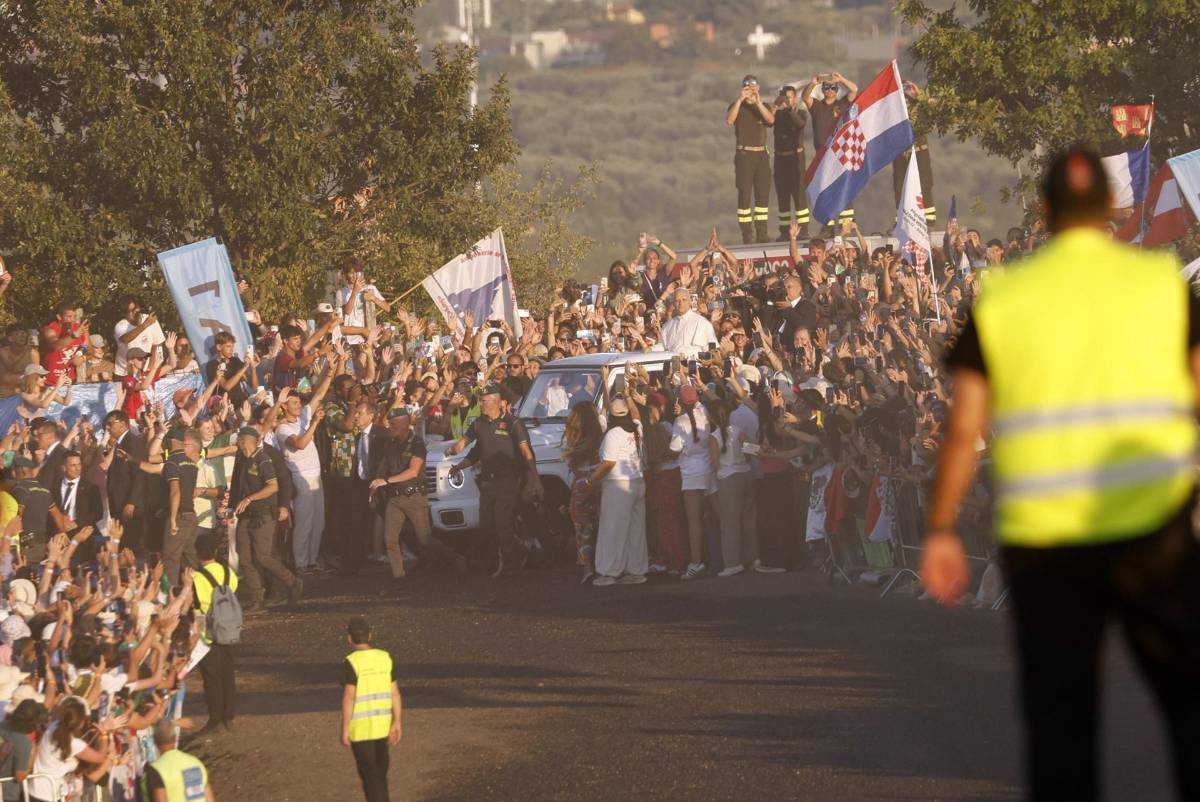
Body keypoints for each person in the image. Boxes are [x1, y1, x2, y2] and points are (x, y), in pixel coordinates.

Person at [921, 147, 1200, 801]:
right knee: (1188, 709)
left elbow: (965, 427)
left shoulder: (1005, 296)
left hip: (1045, 540)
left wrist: (939, 528)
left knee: (1061, 727)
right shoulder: (1160, 284)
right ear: (1111, 209)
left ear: (1043, 211)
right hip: (1151, 527)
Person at [446, 384, 544, 577]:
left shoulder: (512, 423)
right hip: (487, 481)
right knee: (486, 525)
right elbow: (472, 450)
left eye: (485, 400)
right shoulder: (478, 424)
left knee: (502, 521)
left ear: (497, 402)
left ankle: (510, 563)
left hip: (508, 480)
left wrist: (534, 478)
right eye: (481, 400)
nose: (481, 403)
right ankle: (517, 549)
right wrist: (457, 461)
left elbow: (526, 452)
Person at [370, 408, 464, 581]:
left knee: (425, 540)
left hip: (413, 497)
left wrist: (386, 481)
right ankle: (399, 577)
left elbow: (413, 471)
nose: (390, 427)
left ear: (406, 424)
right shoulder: (390, 443)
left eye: (394, 424)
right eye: (390, 424)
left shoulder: (417, 443)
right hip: (395, 497)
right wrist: (376, 484)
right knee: (390, 540)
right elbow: (383, 465)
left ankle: (455, 559)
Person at [230, 427, 303, 611]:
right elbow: (236, 484)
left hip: (263, 513)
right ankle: (257, 596)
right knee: (245, 556)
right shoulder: (242, 459)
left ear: (250, 440)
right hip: (246, 514)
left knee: (262, 556)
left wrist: (250, 498)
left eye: (242, 441)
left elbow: (273, 486)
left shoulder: (263, 459)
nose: (240, 444)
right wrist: (232, 507)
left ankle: (292, 581)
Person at [274, 360, 337, 572]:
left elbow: (318, 395)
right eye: (293, 403)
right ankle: (300, 564)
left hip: (316, 477)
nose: (298, 405)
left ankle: (311, 561)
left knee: (318, 523)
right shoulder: (282, 428)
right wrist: (314, 424)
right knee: (304, 524)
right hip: (300, 479)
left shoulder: (303, 415)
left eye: (298, 402)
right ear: (284, 406)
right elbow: (300, 444)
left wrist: (331, 371)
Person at [341, 616, 402, 802]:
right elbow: (395, 693)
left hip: (361, 730)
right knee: (381, 774)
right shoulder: (385, 657)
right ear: (370, 635)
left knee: (370, 777)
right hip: (383, 726)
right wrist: (397, 721)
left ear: (349, 638)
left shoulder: (351, 662)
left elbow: (349, 697)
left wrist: (344, 729)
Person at [587, 398, 647, 586]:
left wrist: (590, 481)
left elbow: (608, 463)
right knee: (635, 530)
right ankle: (636, 570)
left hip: (617, 484)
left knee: (612, 529)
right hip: (636, 481)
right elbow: (637, 415)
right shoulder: (636, 428)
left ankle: (609, 572)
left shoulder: (613, 434)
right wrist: (629, 397)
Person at [192, 533, 238, 736]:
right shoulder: (228, 573)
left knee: (211, 677)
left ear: (197, 553)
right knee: (227, 672)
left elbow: (195, 607)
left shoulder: (197, 578)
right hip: (228, 628)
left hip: (207, 632)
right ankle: (229, 714)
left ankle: (215, 716)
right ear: (215, 551)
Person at [27, 696, 114, 802]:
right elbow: (100, 757)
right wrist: (104, 733)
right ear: (81, 722)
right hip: (49, 794)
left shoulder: (54, 727)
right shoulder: (74, 744)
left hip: (34, 789)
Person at [801, 71, 858, 228]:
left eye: (833, 88)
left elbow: (854, 90)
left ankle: (847, 226)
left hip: (840, 154)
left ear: (837, 90)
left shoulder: (842, 104)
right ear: (823, 89)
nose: (830, 90)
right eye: (827, 87)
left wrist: (842, 79)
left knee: (843, 187)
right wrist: (813, 83)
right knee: (825, 188)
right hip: (822, 154)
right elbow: (805, 97)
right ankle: (828, 227)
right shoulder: (817, 106)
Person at [668, 385, 714, 580]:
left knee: (694, 521)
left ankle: (696, 562)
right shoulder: (706, 412)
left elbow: (674, 449)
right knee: (718, 515)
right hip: (709, 469)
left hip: (691, 473)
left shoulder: (679, 422)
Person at [708, 398, 756, 576]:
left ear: (712, 418)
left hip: (728, 478)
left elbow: (714, 463)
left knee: (730, 524)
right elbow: (750, 453)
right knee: (749, 520)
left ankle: (733, 562)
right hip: (746, 473)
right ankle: (754, 556)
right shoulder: (739, 431)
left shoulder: (714, 437)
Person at [725, 74, 775, 244]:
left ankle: (762, 233)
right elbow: (729, 120)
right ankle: (747, 233)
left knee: (762, 195)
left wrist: (758, 102)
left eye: (753, 86)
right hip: (744, 155)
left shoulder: (764, 106)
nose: (751, 89)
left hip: (761, 155)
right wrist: (740, 100)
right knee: (745, 194)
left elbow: (770, 120)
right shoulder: (737, 106)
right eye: (747, 86)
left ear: (758, 88)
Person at [562, 401, 604, 584]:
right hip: (598, 484)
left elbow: (568, 464)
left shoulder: (571, 439)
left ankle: (587, 567)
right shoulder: (601, 436)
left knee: (583, 530)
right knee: (602, 526)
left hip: (580, 488)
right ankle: (603, 563)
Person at [772, 85, 810, 240]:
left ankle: (803, 231)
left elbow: (800, 124)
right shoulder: (778, 114)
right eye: (784, 97)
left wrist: (788, 109)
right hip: (780, 159)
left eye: (789, 97)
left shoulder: (800, 112)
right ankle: (784, 231)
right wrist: (775, 106)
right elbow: (768, 120)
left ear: (795, 98)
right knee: (783, 195)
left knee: (799, 194)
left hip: (796, 158)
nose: (787, 100)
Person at [146, 719, 216, 801]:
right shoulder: (195, 763)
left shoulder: (156, 769)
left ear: (154, 740)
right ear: (175, 738)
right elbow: (210, 799)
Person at [0, 698, 45, 801]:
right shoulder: (23, 743)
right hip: (6, 795)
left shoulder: (2, 725)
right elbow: (20, 777)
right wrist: (33, 754)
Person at [112, 296, 164, 378]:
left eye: (134, 309)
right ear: (124, 314)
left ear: (138, 307)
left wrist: (150, 369)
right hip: (125, 373)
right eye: (129, 311)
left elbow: (156, 346)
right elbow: (125, 339)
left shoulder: (150, 320)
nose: (133, 313)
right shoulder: (121, 326)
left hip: (146, 371)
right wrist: (145, 325)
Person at [660, 289, 718, 360]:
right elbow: (662, 349)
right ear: (674, 304)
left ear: (690, 302)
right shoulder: (667, 326)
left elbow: (712, 350)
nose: (681, 303)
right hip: (673, 366)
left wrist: (696, 357)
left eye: (684, 300)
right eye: (677, 301)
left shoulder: (702, 322)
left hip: (696, 366)